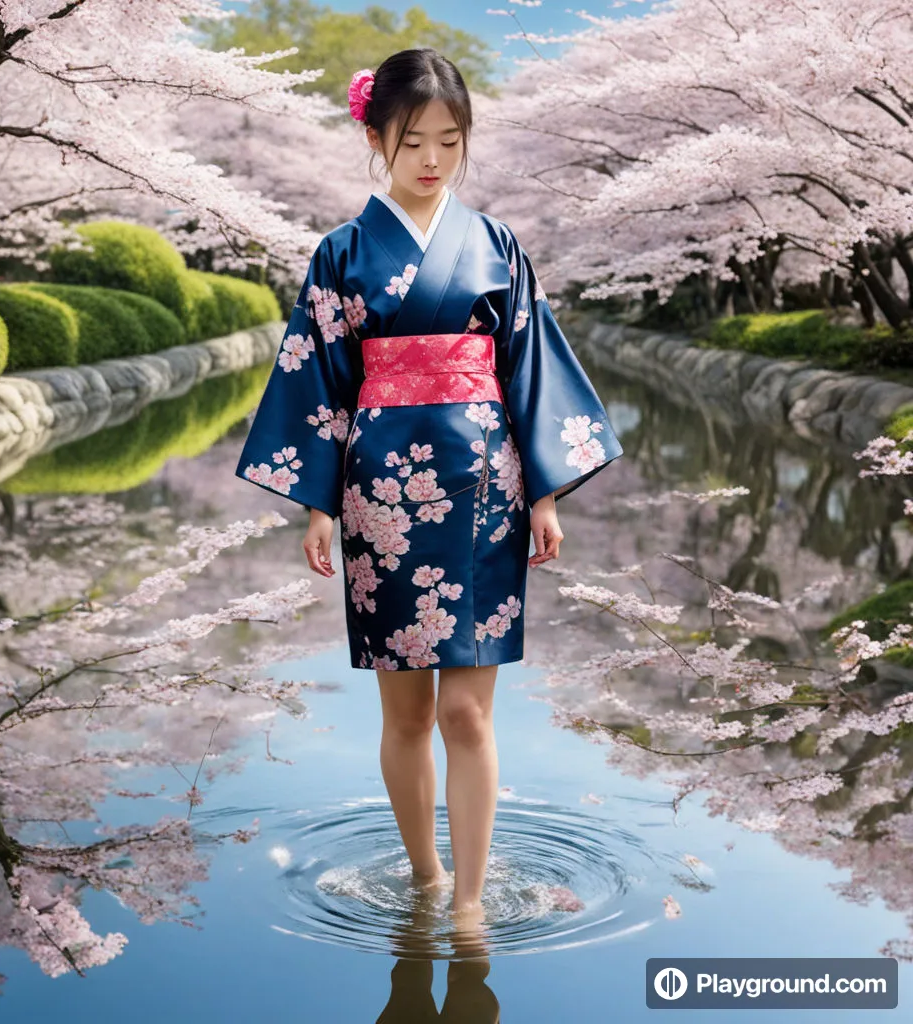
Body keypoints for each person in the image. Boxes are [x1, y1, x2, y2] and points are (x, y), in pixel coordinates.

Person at [235, 48, 623, 932]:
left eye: (451, 141)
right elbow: (317, 380)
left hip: (485, 485)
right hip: (380, 490)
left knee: (468, 711)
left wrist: (546, 494)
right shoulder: (341, 253)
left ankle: (476, 902)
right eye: (414, 140)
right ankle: (426, 876)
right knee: (406, 708)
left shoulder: (495, 246)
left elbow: (529, 367)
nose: (433, 159)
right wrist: (319, 502)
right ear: (376, 136)